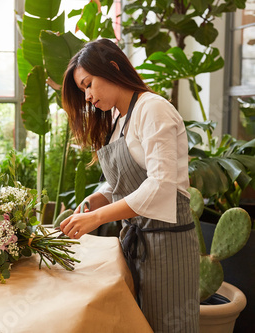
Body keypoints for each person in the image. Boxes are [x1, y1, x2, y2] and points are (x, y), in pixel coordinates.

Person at [59, 38, 199, 332]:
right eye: (83, 89)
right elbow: (117, 183)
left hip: (168, 245)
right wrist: (93, 202)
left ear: (112, 68)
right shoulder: (117, 118)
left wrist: (96, 218)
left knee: (168, 326)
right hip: (137, 245)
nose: (87, 96)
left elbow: (160, 184)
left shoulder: (153, 110)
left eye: (88, 84)